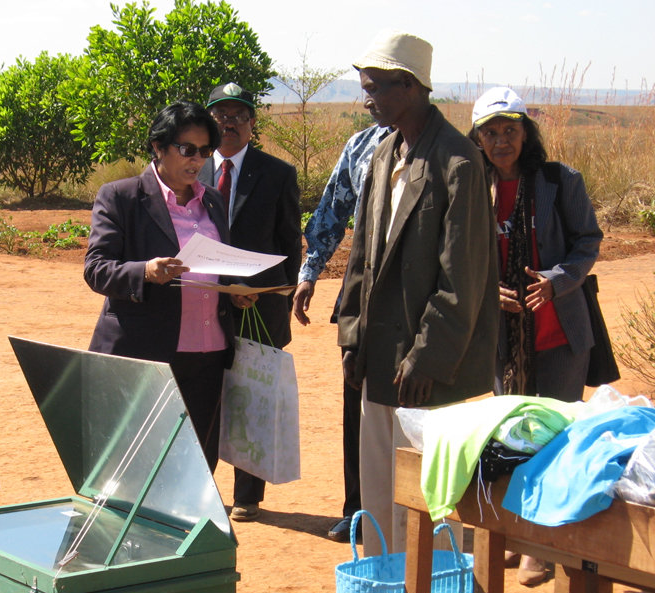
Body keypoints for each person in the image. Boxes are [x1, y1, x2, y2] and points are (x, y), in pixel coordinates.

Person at [337, 30, 498, 556]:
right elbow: (361, 256)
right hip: (379, 360)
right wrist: (351, 338)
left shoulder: (459, 161)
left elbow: (464, 276)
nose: (367, 99)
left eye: (376, 88)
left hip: (429, 373)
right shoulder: (384, 152)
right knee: (381, 501)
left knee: (433, 507)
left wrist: (428, 359)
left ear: (409, 86)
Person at [468, 86, 602, 586]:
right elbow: (460, 258)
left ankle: (541, 548)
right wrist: (485, 294)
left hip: (560, 332)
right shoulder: (472, 186)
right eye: (490, 132)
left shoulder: (558, 180)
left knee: (556, 436)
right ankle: (517, 535)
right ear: (477, 139)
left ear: (527, 133)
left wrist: (558, 280)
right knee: (514, 434)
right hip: (503, 339)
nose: (501, 141)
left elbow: (589, 241)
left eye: (510, 130)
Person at [84, 101, 239, 473]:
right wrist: (145, 272)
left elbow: (218, 267)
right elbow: (96, 269)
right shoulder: (121, 197)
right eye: (187, 149)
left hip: (209, 354)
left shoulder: (213, 201)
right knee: (140, 465)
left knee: (198, 467)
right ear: (159, 146)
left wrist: (236, 291)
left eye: (204, 151)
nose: (197, 160)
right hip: (149, 355)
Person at [198, 81, 302, 522]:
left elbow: (287, 248)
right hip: (202, 307)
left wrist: (262, 293)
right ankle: (198, 492)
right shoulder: (192, 170)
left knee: (252, 395)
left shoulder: (277, 174)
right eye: (221, 115)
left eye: (239, 116)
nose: (229, 123)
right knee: (204, 395)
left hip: (258, 308)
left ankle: (247, 496)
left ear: (253, 124)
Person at [294, 123, 391, 541]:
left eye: (376, 84)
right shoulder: (362, 144)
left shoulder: (441, 149)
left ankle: (414, 517)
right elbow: (332, 212)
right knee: (359, 408)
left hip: (421, 300)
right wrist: (310, 272)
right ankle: (359, 513)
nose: (368, 97)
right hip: (363, 296)